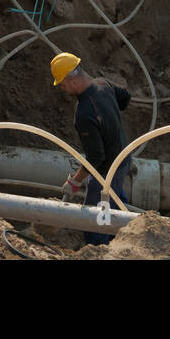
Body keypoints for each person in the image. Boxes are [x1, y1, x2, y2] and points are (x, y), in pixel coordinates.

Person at [51, 52, 131, 245]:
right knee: (115, 203)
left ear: (73, 81)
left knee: (93, 223)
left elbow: (96, 157)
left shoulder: (85, 113)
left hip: (105, 173)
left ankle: (100, 249)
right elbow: (126, 97)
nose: (63, 89)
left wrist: (75, 181)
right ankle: (119, 237)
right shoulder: (104, 84)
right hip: (124, 158)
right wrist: (109, 118)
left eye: (62, 84)